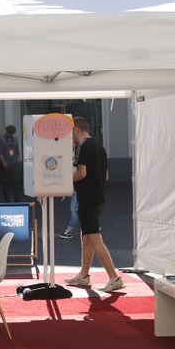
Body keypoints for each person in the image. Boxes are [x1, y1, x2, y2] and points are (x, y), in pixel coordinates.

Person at [64, 117, 124, 293]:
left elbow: (81, 173)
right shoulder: (99, 147)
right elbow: (104, 175)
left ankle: (114, 277)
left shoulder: (83, 146)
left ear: (76, 129)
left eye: (70, 133)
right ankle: (84, 275)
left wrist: (64, 181)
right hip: (97, 198)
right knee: (87, 238)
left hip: (88, 199)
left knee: (95, 239)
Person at [0, 124, 22, 202]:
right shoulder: (2, 139)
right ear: (6, 132)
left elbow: (17, 150)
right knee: (6, 183)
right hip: (6, 164)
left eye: (12, 133)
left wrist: (18, 159)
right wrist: (3, 162)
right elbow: (0, 152)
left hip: (14, 163)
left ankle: (17, 200)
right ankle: (7, 200)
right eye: (9, 133)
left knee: (16, 181)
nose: (11, 135)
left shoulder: (15, 139)